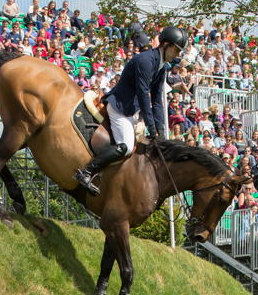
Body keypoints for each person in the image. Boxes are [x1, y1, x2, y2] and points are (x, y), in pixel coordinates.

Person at [74, 25, 189, 196]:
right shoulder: (145, 61)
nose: (178, 55)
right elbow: (144, 95)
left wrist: (160, 130)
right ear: (165, 44)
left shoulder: (161, 68)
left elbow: (157, 100)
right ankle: (86, 172)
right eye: (176, 50)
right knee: (126, 147)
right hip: (119, 106)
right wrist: (150, 126)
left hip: (129, 110)